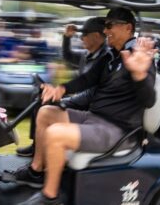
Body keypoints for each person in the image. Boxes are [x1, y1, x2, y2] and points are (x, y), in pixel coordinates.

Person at [11, 7, 156, 205]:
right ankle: (36, 170)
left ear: (127, 28)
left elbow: (149, 100)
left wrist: (140, 75)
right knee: (46, 112)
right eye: (104, 26)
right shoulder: (111, 56)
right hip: (94, 118)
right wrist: (61, 89)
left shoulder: (139, 57)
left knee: (55, 133)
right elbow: (87, 79)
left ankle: (50, 198)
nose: (105, 31)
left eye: (109, 25)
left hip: (116, 131)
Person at [16, 17, 107, 157]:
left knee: (45, 101)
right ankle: (36, 144)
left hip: (88, 105)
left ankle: (40, 149)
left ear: (96, 36)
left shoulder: (104, 58)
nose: (81, 37)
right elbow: (67, 56)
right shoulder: (87, 55)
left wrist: (64, 98)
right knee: (39, 95)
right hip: (80, 99)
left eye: (84, 34)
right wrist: (67, 37)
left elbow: (90, 85)